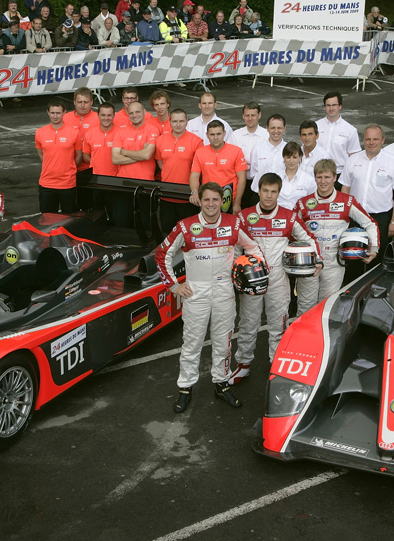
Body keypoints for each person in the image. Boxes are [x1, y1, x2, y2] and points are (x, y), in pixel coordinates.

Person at [157, 183, 264, 413]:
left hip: (225, 291)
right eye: (207, 200)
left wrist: (251, 270)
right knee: (191, 343)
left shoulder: (234, 223)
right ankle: (185, 388)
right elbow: (161, 254)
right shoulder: (185, 226)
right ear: (200, 201)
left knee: (223, 342)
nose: (212, 204)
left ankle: (221, 383)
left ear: (222, 201)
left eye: (216, 200)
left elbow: (254, 249)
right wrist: (174, 285)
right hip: (196, 292)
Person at [230, 172, 320, 385]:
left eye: (273, 192)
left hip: (279, 281)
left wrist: (318, 261)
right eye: (265, 191)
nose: (269, 196)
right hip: (251, 281)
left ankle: (276, 366)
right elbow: (233, 249)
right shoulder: (244, 217)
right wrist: (231, 274)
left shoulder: (289, 216)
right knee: (247, 324)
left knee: (278, 325)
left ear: (279, 192)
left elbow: (309, 239)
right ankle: (243, 365)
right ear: (258, 190)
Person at [295, 159, 380, 316]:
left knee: (326, 308)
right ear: (314, 178)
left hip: (334, 262)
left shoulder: (347, 201)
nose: (323, 181)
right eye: (319, 177)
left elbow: (370, 223)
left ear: (335, 177)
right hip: (309, 262)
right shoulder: (303, 203)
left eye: (327, 177)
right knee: (305, 307)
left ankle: (322, 341)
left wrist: (373, 248)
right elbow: (292, 232)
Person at [340, 125, 394, 258]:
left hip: (380, 218)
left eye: (375, 139)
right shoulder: (353, 160)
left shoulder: (393, 162)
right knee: (354, 255)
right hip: (355, 217)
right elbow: (345, 188)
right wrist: (344, 215)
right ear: (363, 140)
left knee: (378, 256)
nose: (371, 143)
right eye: (368, 139)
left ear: (383, 140)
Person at [154, 108, 204, 230]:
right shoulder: (160, 140)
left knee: (189, 232)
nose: (178, 124)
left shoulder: (196, 141)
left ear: (187, 121)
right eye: (175, 121)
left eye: (181, 121)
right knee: (167, 231)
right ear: (169, 122)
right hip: (167, 194)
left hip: (187, 196)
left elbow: (199, 169)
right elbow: (160, 161)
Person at [190, 121, 249, 214]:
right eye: (212, 134)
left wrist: (237, 203)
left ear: (224, 133)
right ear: (207, 135)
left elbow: (242, 179)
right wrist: (194, 192)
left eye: (219, 134)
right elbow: (194, 176)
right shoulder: (200, 152)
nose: (216, 137)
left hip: (229, 201)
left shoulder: (236, 151)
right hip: (208, 201)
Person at [35, 100, 82, 214]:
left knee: (70, 219)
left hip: (67, 184)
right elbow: (41, 153)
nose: (55, 116)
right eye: (52, 113)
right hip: (47, 184)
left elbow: (79, 156)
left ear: (64, 112)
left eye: (58, 113)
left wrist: (68, 168)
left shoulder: (74, 132)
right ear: (48, 112)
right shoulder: (40, 132)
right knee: (47, 220)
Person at [64, 87, 99, 210]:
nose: (82, 105)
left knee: (92, 205)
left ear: (92, 102)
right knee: (71, 206)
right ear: (74, 102)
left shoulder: (99, 118)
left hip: (91, 169)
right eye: (79, 102)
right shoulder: (66, 118)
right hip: (70, 169)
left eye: (86, 102)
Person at [316, 91, 361, 180]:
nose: (331, 108)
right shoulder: (316, 126)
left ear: (340, 106)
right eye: (328, 105)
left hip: (340, 175)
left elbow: (354, 157)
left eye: (334, 105)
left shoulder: (350, 130)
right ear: (325, 107)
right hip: (318, 174)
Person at [231, 102, 266, 204]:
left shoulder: (266, 136)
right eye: (247, 115)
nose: (250, 118)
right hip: (239, 181)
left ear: (259, 115)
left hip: (259, 182)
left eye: (253, 115)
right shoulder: (235, 135)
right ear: (243, 116)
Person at [246, 114, 288, 198]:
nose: (276, 131)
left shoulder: (289, 150)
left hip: (282, 195)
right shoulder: (257, 149)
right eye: (272, 128)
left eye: (279, 128)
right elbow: (253, 172)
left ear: (284, 129)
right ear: (267, 129)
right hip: (258, 195)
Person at [268, 142, 316, 209]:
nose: (291, 161)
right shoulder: (275, 178)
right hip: (278, 217)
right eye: (288, 157)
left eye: (294, 157)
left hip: (299, 217)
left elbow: (312, 203)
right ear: (283, 158)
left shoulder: (309, 180)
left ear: (300, 158)